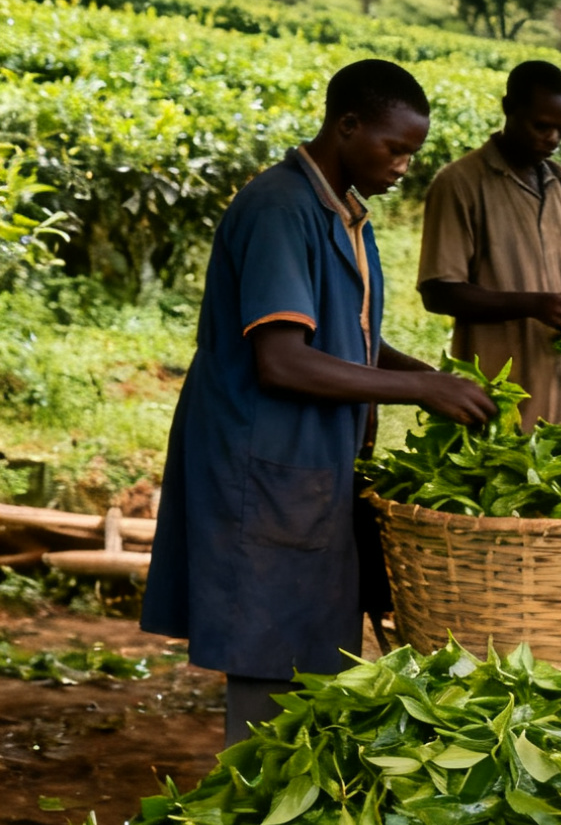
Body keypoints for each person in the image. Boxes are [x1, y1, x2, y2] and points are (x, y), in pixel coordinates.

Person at [144, 60, 494, 743]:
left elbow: (350, 335)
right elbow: (282, 359)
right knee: (269, 653)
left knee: (314, 648)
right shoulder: (282, 208)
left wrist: (432, 376)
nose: (402, 166)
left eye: (413, 154)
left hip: (310, 463)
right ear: (348, 125)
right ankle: (250, 814)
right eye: (394, 149)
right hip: (264, 459)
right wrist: (422, 389)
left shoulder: (344, 212)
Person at [417, 58, 561, 429]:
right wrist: (534, 304)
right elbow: (438, 291)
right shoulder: (460, 184)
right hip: (501, 392)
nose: (552, 138)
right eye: (542, 126)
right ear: (509, 109)